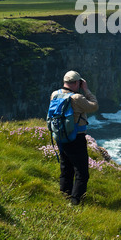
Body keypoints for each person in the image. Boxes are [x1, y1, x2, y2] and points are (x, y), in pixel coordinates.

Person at [50, 70, 99, 205]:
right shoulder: (77, 98)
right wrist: (86, 90)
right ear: (77, 82)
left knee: (66, 168)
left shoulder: (55, 94)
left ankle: (65, 195)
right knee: (82, 172)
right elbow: (94, 106)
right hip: (76, 138)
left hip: (60, 136)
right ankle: (76, 202)